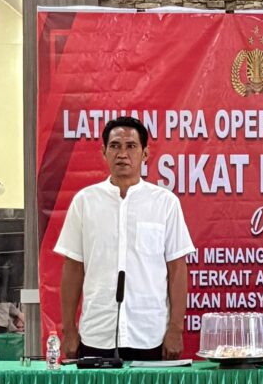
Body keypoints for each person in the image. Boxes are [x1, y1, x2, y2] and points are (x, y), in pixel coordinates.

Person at [55, 116, 195, 361]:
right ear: (104, 152)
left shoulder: (165, 203)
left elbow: (177, 268)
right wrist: (69, 329)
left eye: (131, 146)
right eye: (115, 146)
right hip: (97, 333)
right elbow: (73, 268)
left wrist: (175, 329)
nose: (122, 154)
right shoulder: (85, 202)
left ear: (145, 153)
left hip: (150, 334)